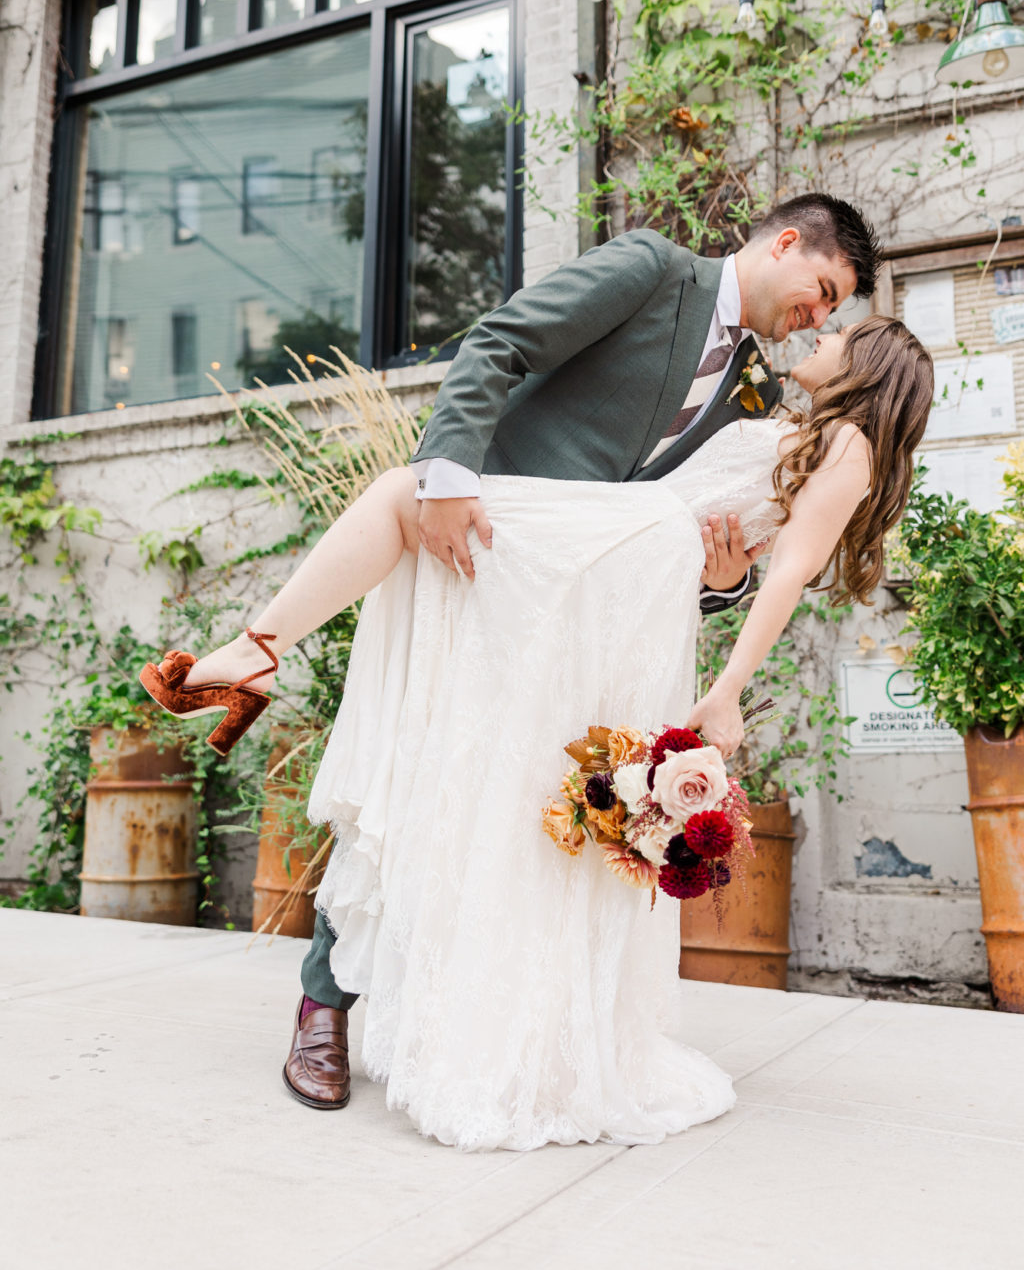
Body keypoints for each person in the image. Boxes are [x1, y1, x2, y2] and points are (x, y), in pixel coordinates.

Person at [140, 194, 891, 1138]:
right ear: (786, 243)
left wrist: (721, 583)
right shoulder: (654, 270)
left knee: (502, 827)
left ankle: (473, 1027)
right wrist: (450, 479)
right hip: (480, 550)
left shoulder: (754, 389)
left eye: (833, 311)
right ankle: (322, 1008)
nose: (818, 316)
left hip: (574, 621)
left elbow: (669, 530)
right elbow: (499, 343)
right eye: (822, 291)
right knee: (416, 774)